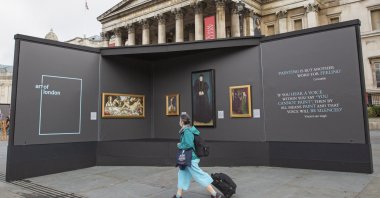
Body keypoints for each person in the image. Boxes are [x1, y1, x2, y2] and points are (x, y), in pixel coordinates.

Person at [173, 114, 224, 198]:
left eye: (179, 120)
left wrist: (180, 145)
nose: (179, 122)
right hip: (187, 158)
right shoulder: (188, 129)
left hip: (191, 158)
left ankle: (215, 194)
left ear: (182, 121)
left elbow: (188, 144)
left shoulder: (187, 131)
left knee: (199, 175)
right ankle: (178, 195)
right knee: (182, 174)